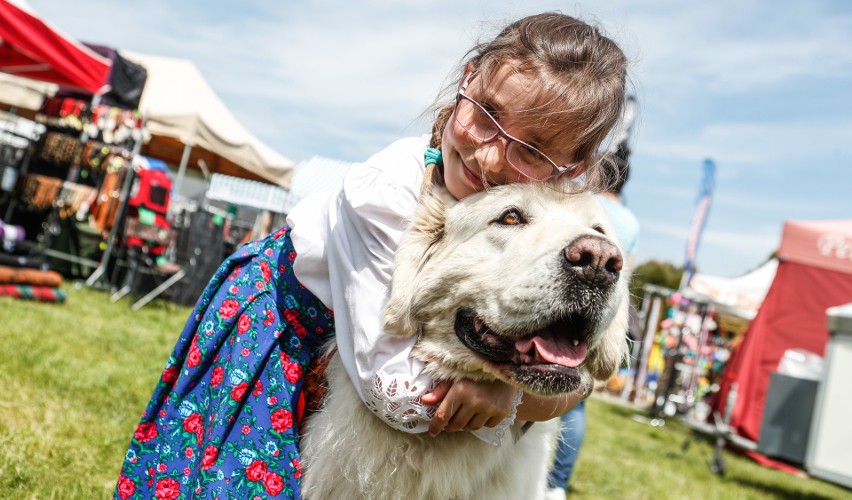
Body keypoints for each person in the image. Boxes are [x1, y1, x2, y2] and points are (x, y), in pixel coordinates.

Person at [114, 12, 629, 500]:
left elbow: (582, 378)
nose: (489, 155)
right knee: (237, 477)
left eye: (532, 151)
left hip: (345, 343)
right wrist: (509, 400)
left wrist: (530, 387)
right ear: (467, 80)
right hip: (280, 325)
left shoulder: (550, 213)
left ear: (571, 167)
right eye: (488, 115)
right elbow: (389, 389)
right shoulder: (383, 193)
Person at [546, 141, 640, 498]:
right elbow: (626, 267)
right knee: (576, 396)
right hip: (602, 302)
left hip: (563, 294)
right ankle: (558, 485)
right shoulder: (631, 222)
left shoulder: (582, 201)